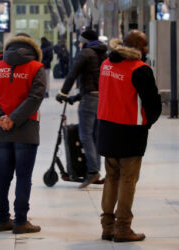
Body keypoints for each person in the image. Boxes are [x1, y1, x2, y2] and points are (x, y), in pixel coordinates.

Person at [97, 30, 161, 242]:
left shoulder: (107, 64)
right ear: (137, 46)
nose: (147, 49)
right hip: (130, 130)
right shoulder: (140, 69)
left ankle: (107, 226)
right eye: (144, 45)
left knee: (111, 178)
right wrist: (147, 122)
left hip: (107, 128)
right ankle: (123, 227)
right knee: (128, 180)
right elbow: (153, 103)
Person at [0, 33, 46, 233]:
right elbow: (35, 98)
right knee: (23, 177)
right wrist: (14, 119)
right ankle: (20, 221)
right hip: (26, 129)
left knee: (2, 175)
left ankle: (1, 219)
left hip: (1, 131)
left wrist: (0, 118)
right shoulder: (37, 68)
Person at [56, 29, 107, 188]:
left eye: (80, 41)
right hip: (102, 98)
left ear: (84, 41)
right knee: (96, 135)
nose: (79, 44)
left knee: (85, 134)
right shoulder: (103, 54)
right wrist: (75, 97)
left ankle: (92, 171)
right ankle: (96, 169)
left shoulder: (85, 53)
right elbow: (95, 80)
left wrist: (63, 93)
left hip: (90, 100)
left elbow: (72, 74)